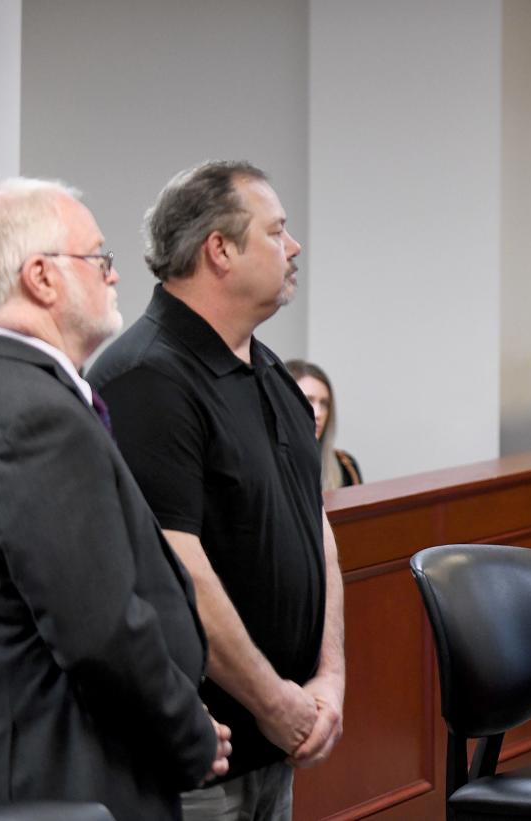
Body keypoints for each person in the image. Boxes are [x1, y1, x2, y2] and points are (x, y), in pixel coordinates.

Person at [0, 179, 231, 819]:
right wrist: (188, 733)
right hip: (69, 782)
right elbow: (101, 631)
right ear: (42, 278)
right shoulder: (34, 417)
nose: (114, 277)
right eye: (98, 257)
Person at [89, 161, 344, 820]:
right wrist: (274, 701)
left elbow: (317, 532)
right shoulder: (145, 378)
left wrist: (328, 680)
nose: (293, 248)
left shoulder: (269, 372)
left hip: (278, 743)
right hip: (203, 758)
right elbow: (178, 569)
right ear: (220, 250)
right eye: (276, 231)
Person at [285, 359, 363, 489]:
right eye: (308, 400)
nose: (318, 413)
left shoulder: (345, 467)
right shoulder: (262, 467)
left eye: (324, 404)